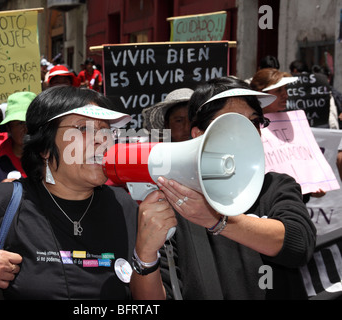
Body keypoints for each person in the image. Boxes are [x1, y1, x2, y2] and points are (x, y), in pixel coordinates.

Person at [0, 86, 175, 299]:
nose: (101, 139)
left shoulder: (126, 207)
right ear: (45, 148)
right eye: (83, 129)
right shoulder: (1, 202)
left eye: (106, 129)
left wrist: (146, 256)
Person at [131, 77, 316, 300]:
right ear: (198, 135)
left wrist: (217, 220)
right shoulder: (173, 203)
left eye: (254, 122)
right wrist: (145, 256)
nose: (249, 132)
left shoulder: (276, 186)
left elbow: (299, 245)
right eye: (233, 123)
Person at [250, 68, 326, 200]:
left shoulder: (295, 123)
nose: (285, 95)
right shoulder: (248, 125)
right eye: (279, 90)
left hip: (296, 202)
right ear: (262, 94)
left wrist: (314, 186)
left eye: (285, 89)